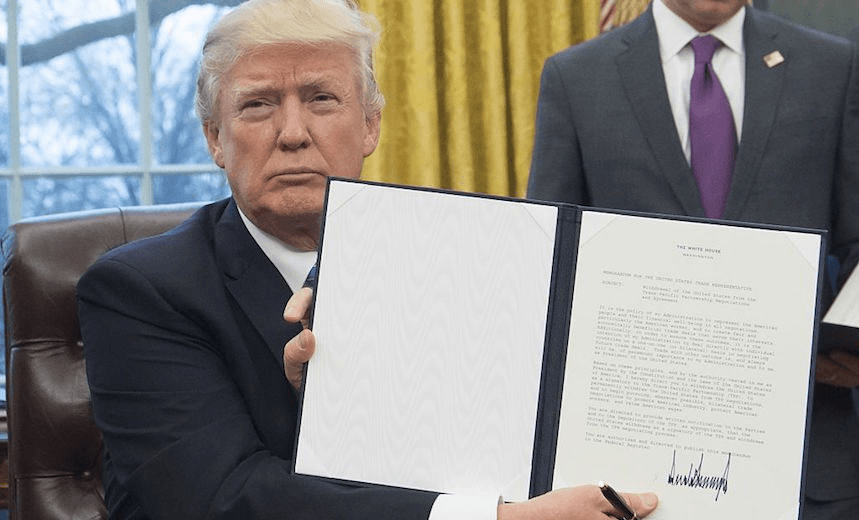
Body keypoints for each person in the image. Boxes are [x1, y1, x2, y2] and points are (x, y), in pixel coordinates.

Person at [76, 1, 659, 519]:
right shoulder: (139, 292)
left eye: (321, 98)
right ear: (214, 138)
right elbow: (222, 498)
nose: (293, 133)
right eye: (257, 105)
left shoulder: (464, 267)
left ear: (371, 125)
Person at [527, 0, 859, 518]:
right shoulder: (577, 78)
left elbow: (855, 244)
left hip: (807, 466)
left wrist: (842, 344)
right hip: (631, 474)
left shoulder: (833, 68)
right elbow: (549, 266)